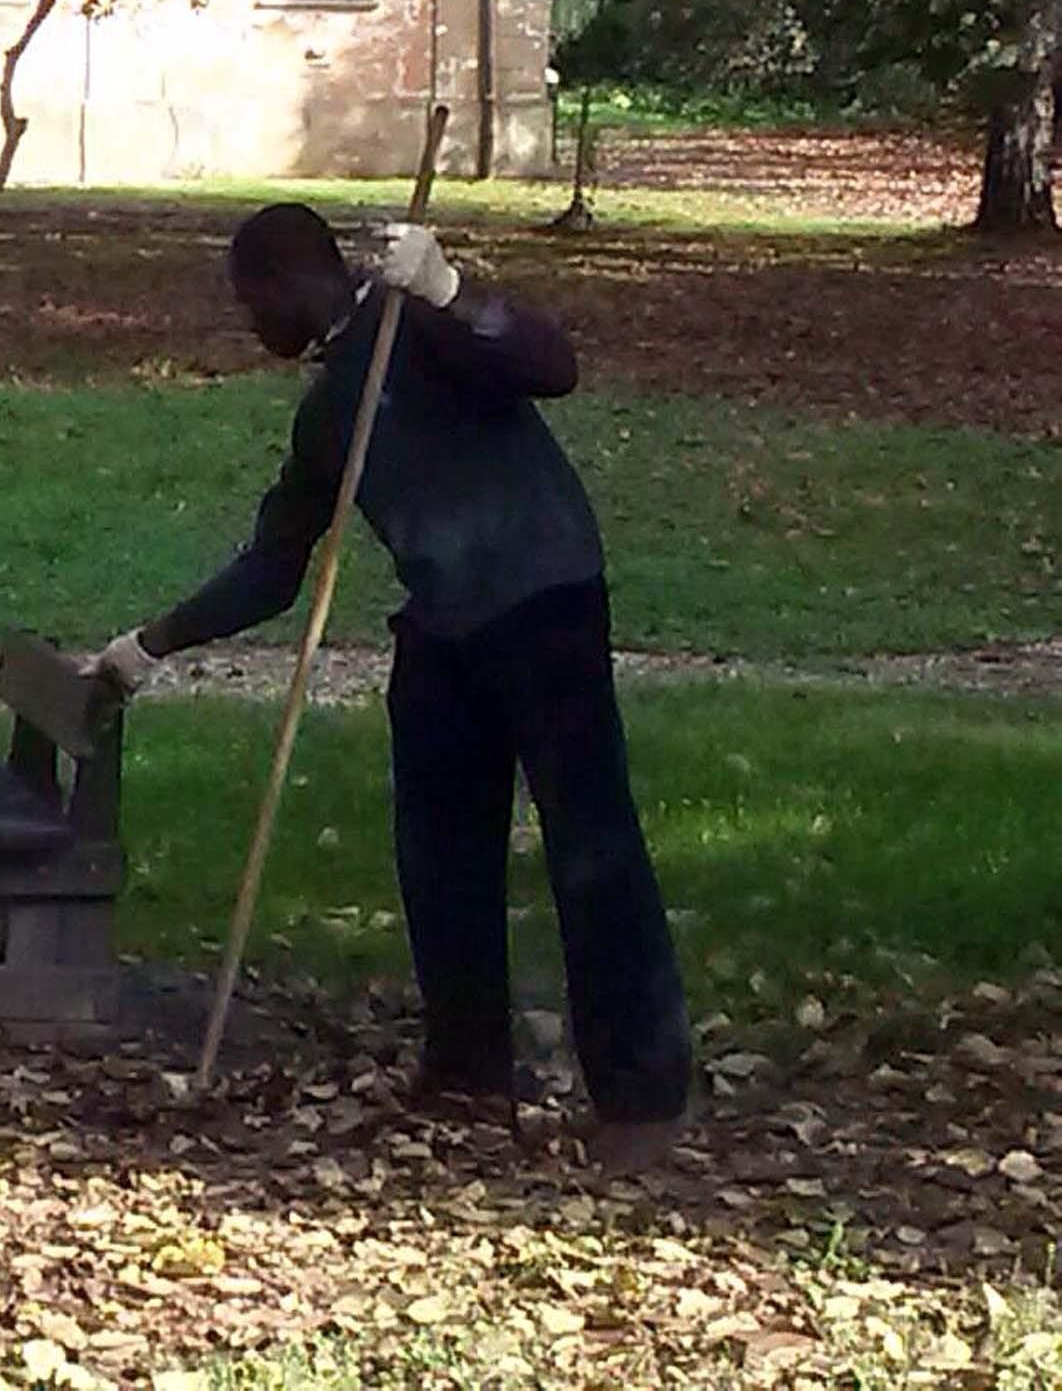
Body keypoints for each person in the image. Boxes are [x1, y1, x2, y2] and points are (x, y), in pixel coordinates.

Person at [92, 202, 691, 1169]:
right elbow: (274, 568)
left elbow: (551, 366)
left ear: (291, 281)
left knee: (592, 844)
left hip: (545, 600)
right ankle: (468, 1069)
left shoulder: (419, 324)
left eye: (251, 303)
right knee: (438, 850)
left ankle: (642, 1097)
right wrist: (145, 647)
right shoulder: (330, 411)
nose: (250, 324)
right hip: (447, 625)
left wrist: (450, 288)